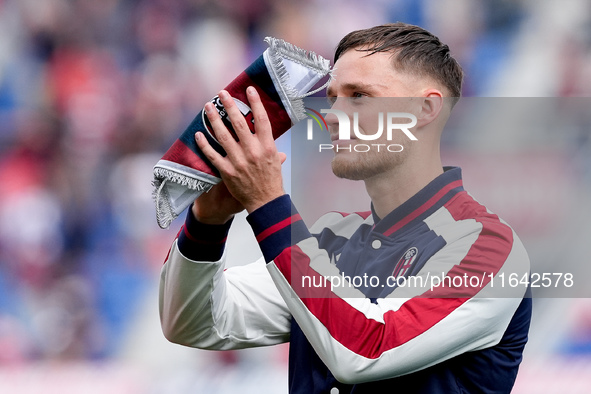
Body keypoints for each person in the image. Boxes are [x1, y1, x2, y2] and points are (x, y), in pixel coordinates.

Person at [159, 23, 532, 393]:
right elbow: (194, 323)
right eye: (333, 97)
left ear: (426, 107)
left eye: (358, 96)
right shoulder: (333, 238)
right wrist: (208, 221)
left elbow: (367, 350)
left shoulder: (490, 247)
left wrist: (268, 202)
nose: (332, 115)